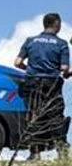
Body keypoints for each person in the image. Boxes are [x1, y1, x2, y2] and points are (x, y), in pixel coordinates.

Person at [15, 13, 72, 157]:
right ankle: (62, 150)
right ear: (57, 24)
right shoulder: (61, 44)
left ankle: (34, 152)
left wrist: (28, 69)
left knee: (34, 115)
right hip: (51, 84)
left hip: (33, 82)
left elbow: (17, 62)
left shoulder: (30, 41)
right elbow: (64, 68)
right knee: (56, 115)